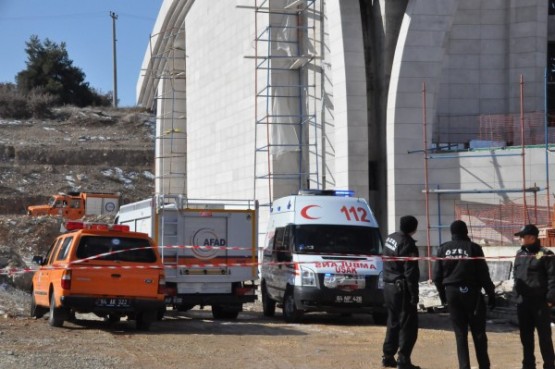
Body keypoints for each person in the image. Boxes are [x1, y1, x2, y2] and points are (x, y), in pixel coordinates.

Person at [433, 220, 495, 369]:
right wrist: (491, 294)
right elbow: (483, 274)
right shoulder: (474, 248)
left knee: (460, 334)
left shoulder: (443, 249)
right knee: (479, 333)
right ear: (466, 232)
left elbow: (436, 277)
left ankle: (464, 366)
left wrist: (443, 296)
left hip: (452, 293)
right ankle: (484, 366)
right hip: (472, 294)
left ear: (452, 233)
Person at [513, 224, 555, 369]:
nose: (520, 239)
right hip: (523, 303)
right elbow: (516, 275)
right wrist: (516, 295)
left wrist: (550, 300)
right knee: (526, 337)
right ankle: (528, 365)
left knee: (544, 337)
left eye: (522, 236)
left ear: (531, 237)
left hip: (540, 304)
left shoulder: (544, 253)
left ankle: (549, 365)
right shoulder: (520, 253)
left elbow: (552, 278)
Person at [382, 215, 420, 369]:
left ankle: (388, 356)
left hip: (388, 286)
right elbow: (410, 273)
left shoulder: (391, 238)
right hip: (401, 288)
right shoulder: (408, 245)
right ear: (414, 228)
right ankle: (403, 360)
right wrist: (415, 295)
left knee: (393, 322)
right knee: (408, 326)